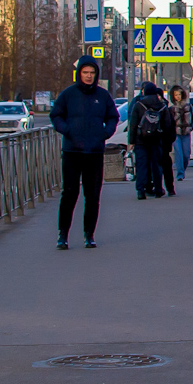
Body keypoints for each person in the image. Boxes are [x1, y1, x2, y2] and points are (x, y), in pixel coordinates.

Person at [49, 55, 120, 249]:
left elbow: (113, 116)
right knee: (70, 192)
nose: (88, 76)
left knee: (93, 195)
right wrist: (66, 129)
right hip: (72, 151)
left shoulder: (102, 96)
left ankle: (89, 235)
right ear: (79, 73)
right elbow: (55, 115)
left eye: (92, 73)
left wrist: (105, 133)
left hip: (94, 152)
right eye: (85, 72)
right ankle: (62, 235)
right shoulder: (68, 94)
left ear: (96, 74)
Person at [127, 82, 173, 199]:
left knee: (142, 165)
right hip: (156, 140)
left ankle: (141, 191)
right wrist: (167, 141)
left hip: (140, 140)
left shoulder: (139, 105)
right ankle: (158, 189)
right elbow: (167, 125)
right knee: (156, 165)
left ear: (145, 91)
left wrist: (131, 141)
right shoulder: (162, 106)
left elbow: (133, 124)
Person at [169, 86, 193, 181]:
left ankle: (183, 169)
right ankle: (180, 174)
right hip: (176, 133)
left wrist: (190, 128)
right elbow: (170, 121)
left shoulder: (188, 106)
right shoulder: (172, 109)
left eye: (179, 94)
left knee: (186, 154)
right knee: (178, 153)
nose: (178, 96)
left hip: (186, 133)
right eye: (176, 95)